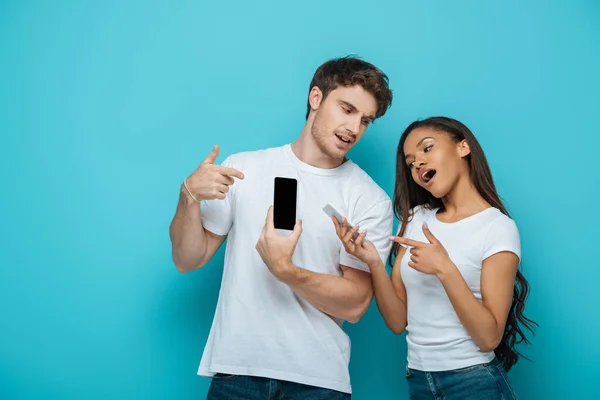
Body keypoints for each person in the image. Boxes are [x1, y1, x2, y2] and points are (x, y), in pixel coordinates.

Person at [169, 56, 394, 399]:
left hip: (318, 382)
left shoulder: (369, 199)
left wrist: (286, 271)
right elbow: (188, 259)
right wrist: (188, 196)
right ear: (315, 98)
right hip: (237, 373)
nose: (354, 128)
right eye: (346, 109)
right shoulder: (244, 167)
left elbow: (356, 304)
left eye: (365, 120)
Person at [333, 117, 537, 399]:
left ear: (463, 147)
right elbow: (396, 322)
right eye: (410, 161)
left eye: (427, 149)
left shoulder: (497, 228)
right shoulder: (417, 219)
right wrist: (374, 263)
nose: (417, 163)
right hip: (419, 381)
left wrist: (445, 269)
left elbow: (489, 337)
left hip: (474, 383)